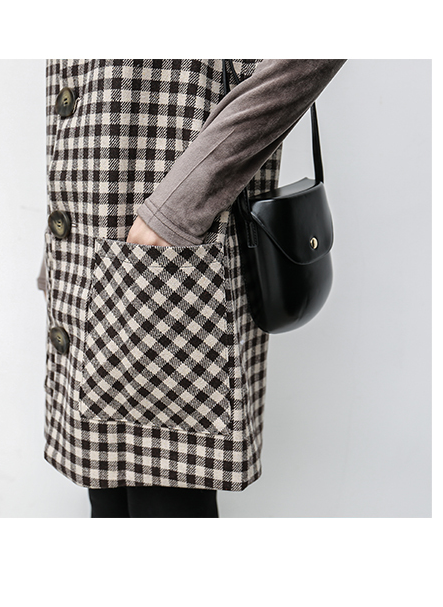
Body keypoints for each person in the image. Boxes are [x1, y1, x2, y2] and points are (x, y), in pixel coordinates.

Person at [38, 59, 347, 517]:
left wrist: (179, 208)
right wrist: (64, 250)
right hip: (92, 248)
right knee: (107, 493)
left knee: (167, 496)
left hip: (175, 239)